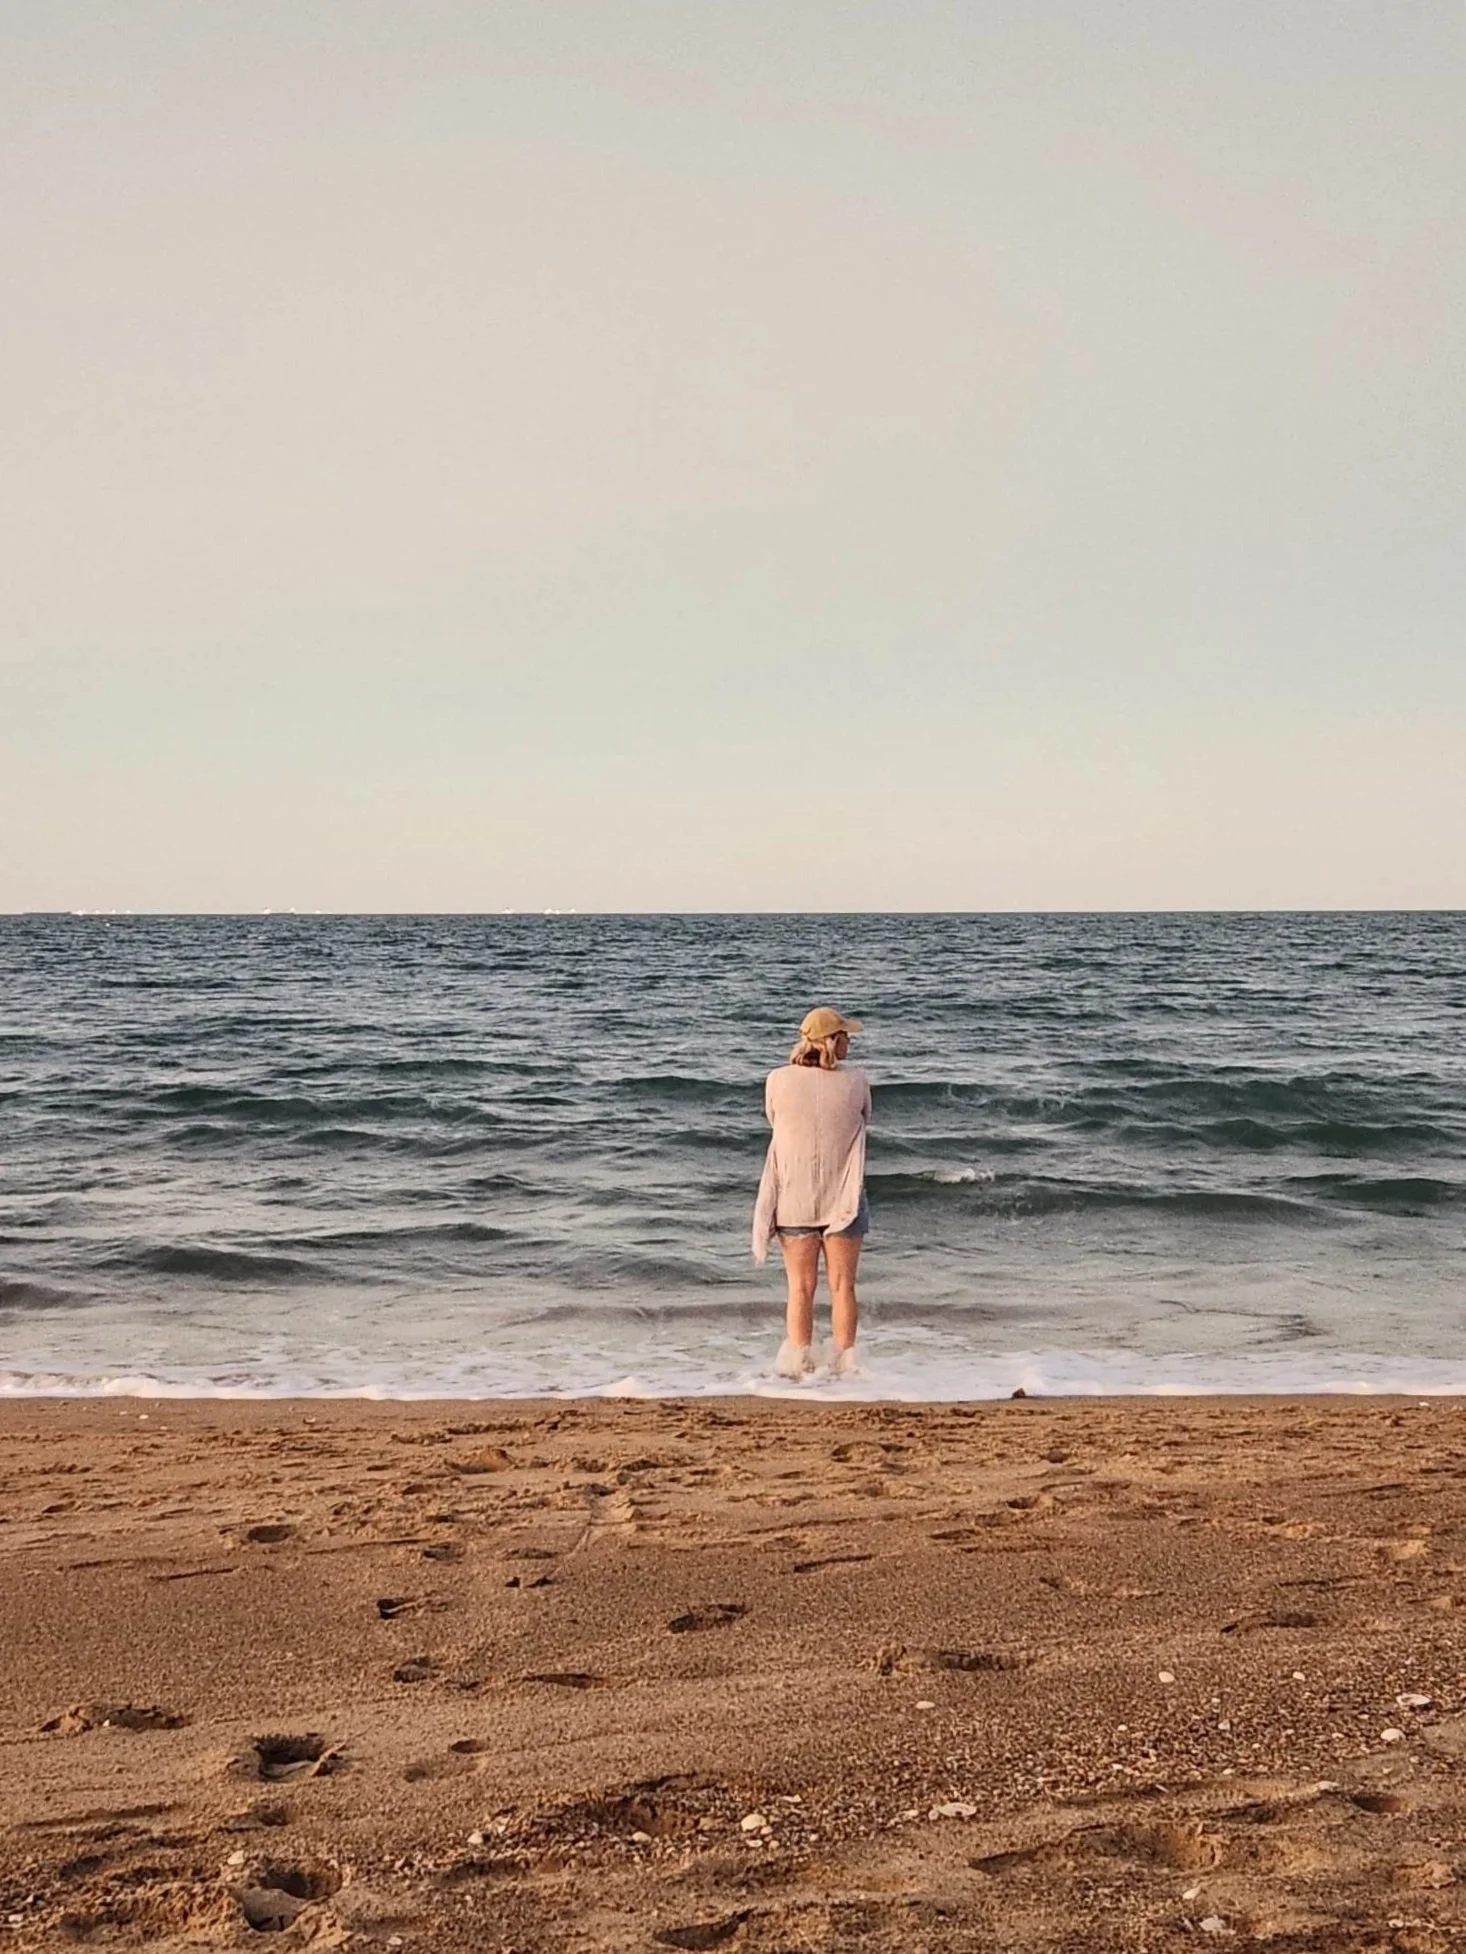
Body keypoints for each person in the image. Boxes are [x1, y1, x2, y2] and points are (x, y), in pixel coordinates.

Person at [752, 1007, 871, 1378]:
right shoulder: (857, 1081)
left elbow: (774, 1120)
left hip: (795, 1198)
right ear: (833, 1041)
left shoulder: (777, 1079)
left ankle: (799, 1364)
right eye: (845, 1035)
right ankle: (845, 1365)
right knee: (842, 1286)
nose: (849, 1041)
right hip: (844, 1198)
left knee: (800, 1289)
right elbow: (866, 1118)